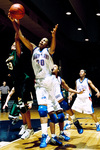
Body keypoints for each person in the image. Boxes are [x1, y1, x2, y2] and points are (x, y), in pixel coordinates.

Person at [9, 14, 60, 148]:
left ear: (47, 44)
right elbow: (20, 36)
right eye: (41, 40)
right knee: (42, 110)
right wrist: (15, 23)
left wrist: (53, 35)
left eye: (45, 40)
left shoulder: (49, 51)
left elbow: (53, 46)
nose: (42, 41)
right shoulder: (33, 48)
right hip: (39, 83)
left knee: (56, 114)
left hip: (51, 82)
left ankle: (54, 136)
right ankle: (44, 136)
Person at [4, 27, 34, 139]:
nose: (13, 44)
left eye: (15, 44)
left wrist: (16, 24)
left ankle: (30, 128)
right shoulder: (10, 55)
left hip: (23, 80)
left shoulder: (17, 53)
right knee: (21, 107)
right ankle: (25, 125)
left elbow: (17, 39)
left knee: (25, 106)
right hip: (16, 81)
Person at [52, 64, 83, 134]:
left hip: (59, 98)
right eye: (52, 66)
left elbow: (68, 89)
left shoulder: (60, 80)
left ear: (58, 70)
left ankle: (76, 123)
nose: (53, 67)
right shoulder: (47, 77)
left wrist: (77, 92)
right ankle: (51, 135)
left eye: (55, 66)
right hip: (50, 99)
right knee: (53, 117)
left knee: (64, 112)